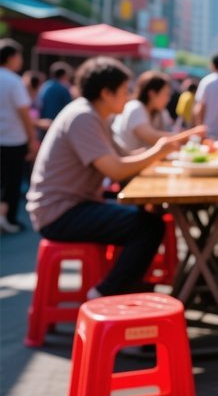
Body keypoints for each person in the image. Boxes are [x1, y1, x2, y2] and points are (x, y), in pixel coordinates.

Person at [26, 57, 192, 296]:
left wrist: (160, 152)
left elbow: (124, 156)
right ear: (106, 93)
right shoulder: (83, 117)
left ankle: (129, 283)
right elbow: (116, 169)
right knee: (147, 226)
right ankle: (106, 292)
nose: (129, 96)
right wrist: (158, 151)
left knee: (149, 215)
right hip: (58, 212)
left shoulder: (94, 115)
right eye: (125, 90)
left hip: (74, 204)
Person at [112, 70, 205, 151]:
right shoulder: (135, 107)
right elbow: (151, 137)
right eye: (166, 94)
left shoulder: (161, 112)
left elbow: (170, 133)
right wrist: (189, 134)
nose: (168, 99)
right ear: (152, 94)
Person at [0, 40, 38, 233]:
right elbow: (24, 113)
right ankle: (9, 219)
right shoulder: (14, 81)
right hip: (13, 140)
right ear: (12, 57)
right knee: (11, 182)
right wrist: (32, 139)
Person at [36, 61, 74, 136]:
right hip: (56, 125)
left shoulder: (45, 85)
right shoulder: (63, 89)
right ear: (64, 75)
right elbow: (70, 108)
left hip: (42, 124)